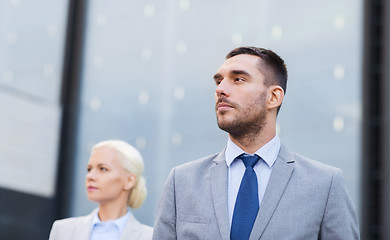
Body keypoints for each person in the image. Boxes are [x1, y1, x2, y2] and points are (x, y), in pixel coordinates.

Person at [152, 46, 360, 239]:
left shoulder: (325, 184)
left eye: (238, 79)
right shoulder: (181, 182)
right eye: (218, 81)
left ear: (273, 97)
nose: (220, 89)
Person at [49, 140, 153, 240]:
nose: (90, 176)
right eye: (89, 169)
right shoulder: (63, 230)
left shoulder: (151, 237)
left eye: (103, 169)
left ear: (129, 181)